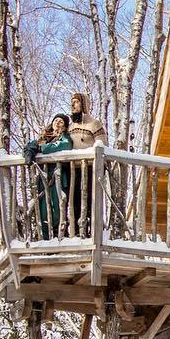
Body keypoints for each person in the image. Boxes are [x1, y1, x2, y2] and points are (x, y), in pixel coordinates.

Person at [24, 113, 73, 238]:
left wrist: (42, 149)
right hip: (42, 178)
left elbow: (65, 145)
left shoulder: (65, 137)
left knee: (57, 208)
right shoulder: (43, 138)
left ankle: (59, 236)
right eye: (55, 120)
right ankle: (45, 237)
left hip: (58, 176)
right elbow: (29, 146)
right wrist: (30, 151)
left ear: (65, 126)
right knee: (43, 209)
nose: (57, 123)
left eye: (61, 121)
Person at [68, 93, 106, 234]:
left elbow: (102, 145)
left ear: (84, 104)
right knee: (75, 202)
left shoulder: (94, 124)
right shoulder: (70, 126)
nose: (73, 105)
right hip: (73, 169)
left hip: (91, 168)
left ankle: (93, 232)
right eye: (72, 102)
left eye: (77, 102)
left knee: (91, 200)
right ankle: (77, 231)